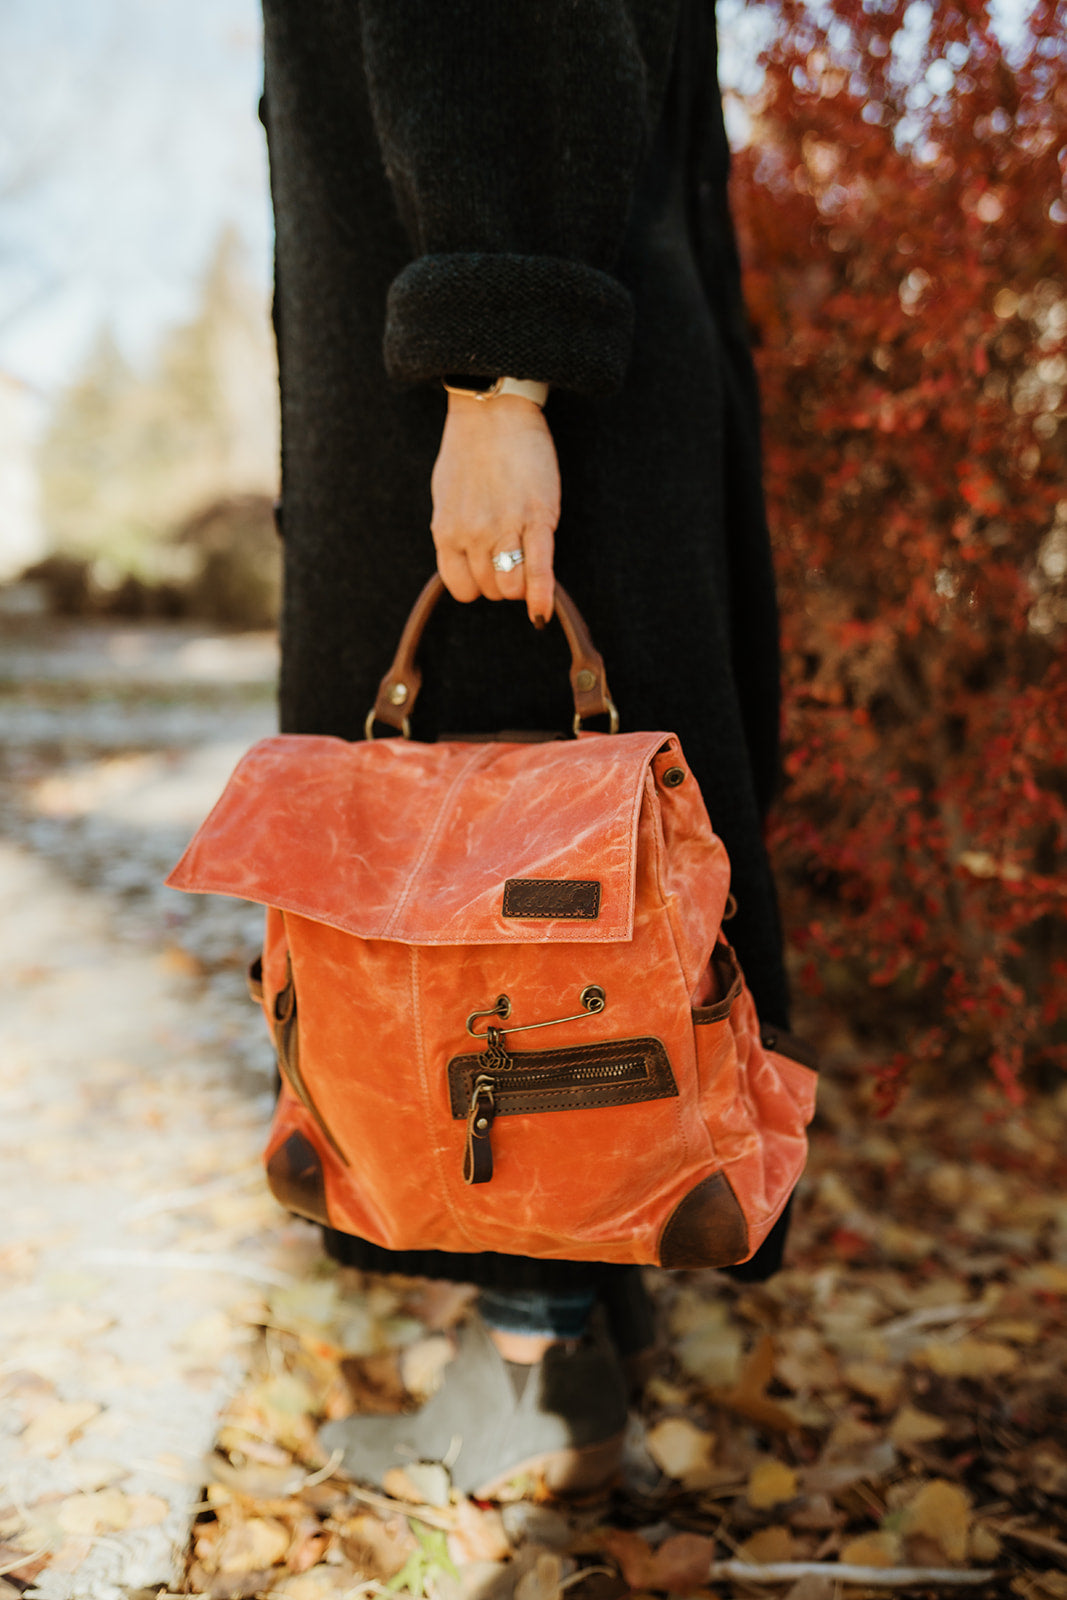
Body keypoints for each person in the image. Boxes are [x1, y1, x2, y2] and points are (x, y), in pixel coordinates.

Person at [258, 0, 793, 1495]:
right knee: (572, 884)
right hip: (584, 344)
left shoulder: (500, 376)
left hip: (508, 392)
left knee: (503, 897)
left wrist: (498, 371)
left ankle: (531, 1366)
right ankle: (595, 1298)